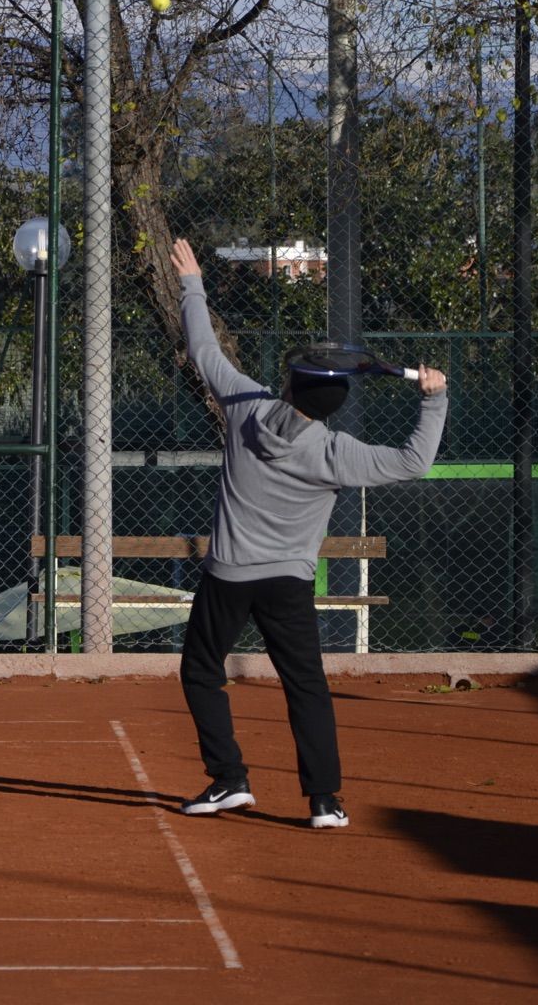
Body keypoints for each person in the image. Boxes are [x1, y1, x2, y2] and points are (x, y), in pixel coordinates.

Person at [169, 238, 449, 828]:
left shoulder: (246, 407)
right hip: (288, 584)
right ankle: (324, 800)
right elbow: (412, 464)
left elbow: (201, 349)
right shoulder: (337, 453)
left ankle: (229, 780)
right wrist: (435, 399)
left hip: (227, 578)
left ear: (291, 386)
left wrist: (192, 283)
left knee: (200, 670)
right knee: (307, 687)